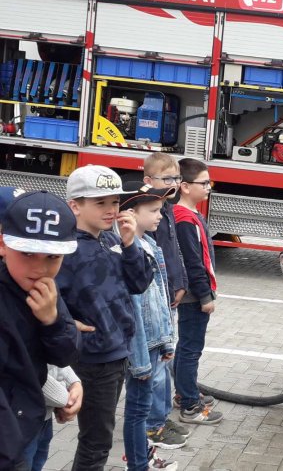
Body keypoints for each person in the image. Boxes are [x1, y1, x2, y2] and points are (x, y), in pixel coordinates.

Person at [56, 165, 155, 471]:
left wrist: (128, 244)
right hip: (92, 357)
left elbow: (139, 283)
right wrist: (64, 323)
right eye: (100, 203)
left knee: (98, 438)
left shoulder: (112, 240)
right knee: (96, 441)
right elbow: (40, 292)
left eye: (114, 202)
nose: (111, 210)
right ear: (75, 205)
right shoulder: (64, 248)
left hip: (116, 352)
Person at [0, 190, 80, 469]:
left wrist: (52, 320)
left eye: (52, 258)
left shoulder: (48, 292)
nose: (39, 268)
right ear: (2, 244)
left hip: (34, 421)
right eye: (28, 253)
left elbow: (66, 354)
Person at [120, 181, 181, 471]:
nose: (160, 215)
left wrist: (167, 341)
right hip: (142, 346)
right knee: (137, 410)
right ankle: (138, 463)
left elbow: (160, 299)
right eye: (154, 210)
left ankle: (143, 457)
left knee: (142, 408)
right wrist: (144, 357)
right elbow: (134, 305)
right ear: (130, 214)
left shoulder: (150, 244)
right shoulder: (127, 248)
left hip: (155, 342)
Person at [142, 154, 198, 447]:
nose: (174, 184)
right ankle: (152, 425)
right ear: (148, 182)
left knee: (165, 361)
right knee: (155, 368)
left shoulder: (167, 209)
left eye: (177, 179)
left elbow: (173, 254)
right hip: (155, 303)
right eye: (168, 179)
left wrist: (181, 284)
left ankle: (160, 418)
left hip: (169, 298)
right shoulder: (147, 213)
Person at [173, 158, 223, 425]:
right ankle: (190, 405)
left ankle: (185, 392)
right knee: (191, 348)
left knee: (187, 346)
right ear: (184, 186)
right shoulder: (183, 219)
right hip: (194, 296)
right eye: (204, 183)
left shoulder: (190, 216)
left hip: (194, 294)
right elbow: (193, 262)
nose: (208, 187)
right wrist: (205, 296)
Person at [22, 366, 82, 471]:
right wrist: (67, 398)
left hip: (43, 417)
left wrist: (73, 382)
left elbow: (54, 358)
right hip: (21, 419)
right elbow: (27, 370)